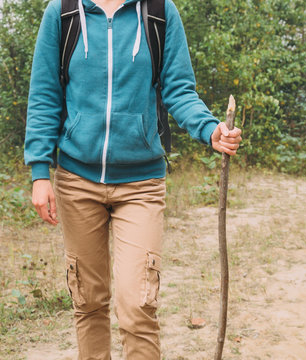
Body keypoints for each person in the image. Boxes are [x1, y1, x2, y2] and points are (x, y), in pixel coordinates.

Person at [24, 0, 242, 358]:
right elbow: (45, 95)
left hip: (141, 183)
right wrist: (39, 172)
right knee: (88, 301)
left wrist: (209, 129)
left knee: (138, 305)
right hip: (77, 179)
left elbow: (179, 89)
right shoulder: (63, 12)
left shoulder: (158, 11)